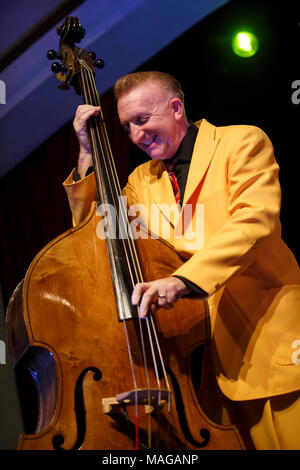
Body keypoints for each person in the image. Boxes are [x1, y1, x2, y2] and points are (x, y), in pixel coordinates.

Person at [63, 71, 300, 450]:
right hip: (205, 374)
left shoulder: (241, 141)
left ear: (175, 108)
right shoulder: (142, 180)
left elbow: (254, 221)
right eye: (126, 127)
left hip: (273, 345)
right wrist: (87, 152)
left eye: (142, 120)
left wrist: (182, 281)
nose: (136, 135)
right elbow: (96, 232)